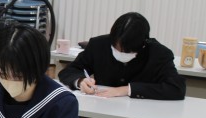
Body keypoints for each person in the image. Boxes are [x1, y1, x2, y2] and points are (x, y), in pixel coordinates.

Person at [58, 12, 186, 100]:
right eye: (115, 47)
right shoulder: (98, 44)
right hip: (102, 106)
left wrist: (126, 90)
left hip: (142, 113)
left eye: (127, 51)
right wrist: (80, 81)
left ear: (143, 44)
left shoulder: (159, 54)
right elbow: (69, 71)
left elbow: (176, 88)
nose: (120, 52)